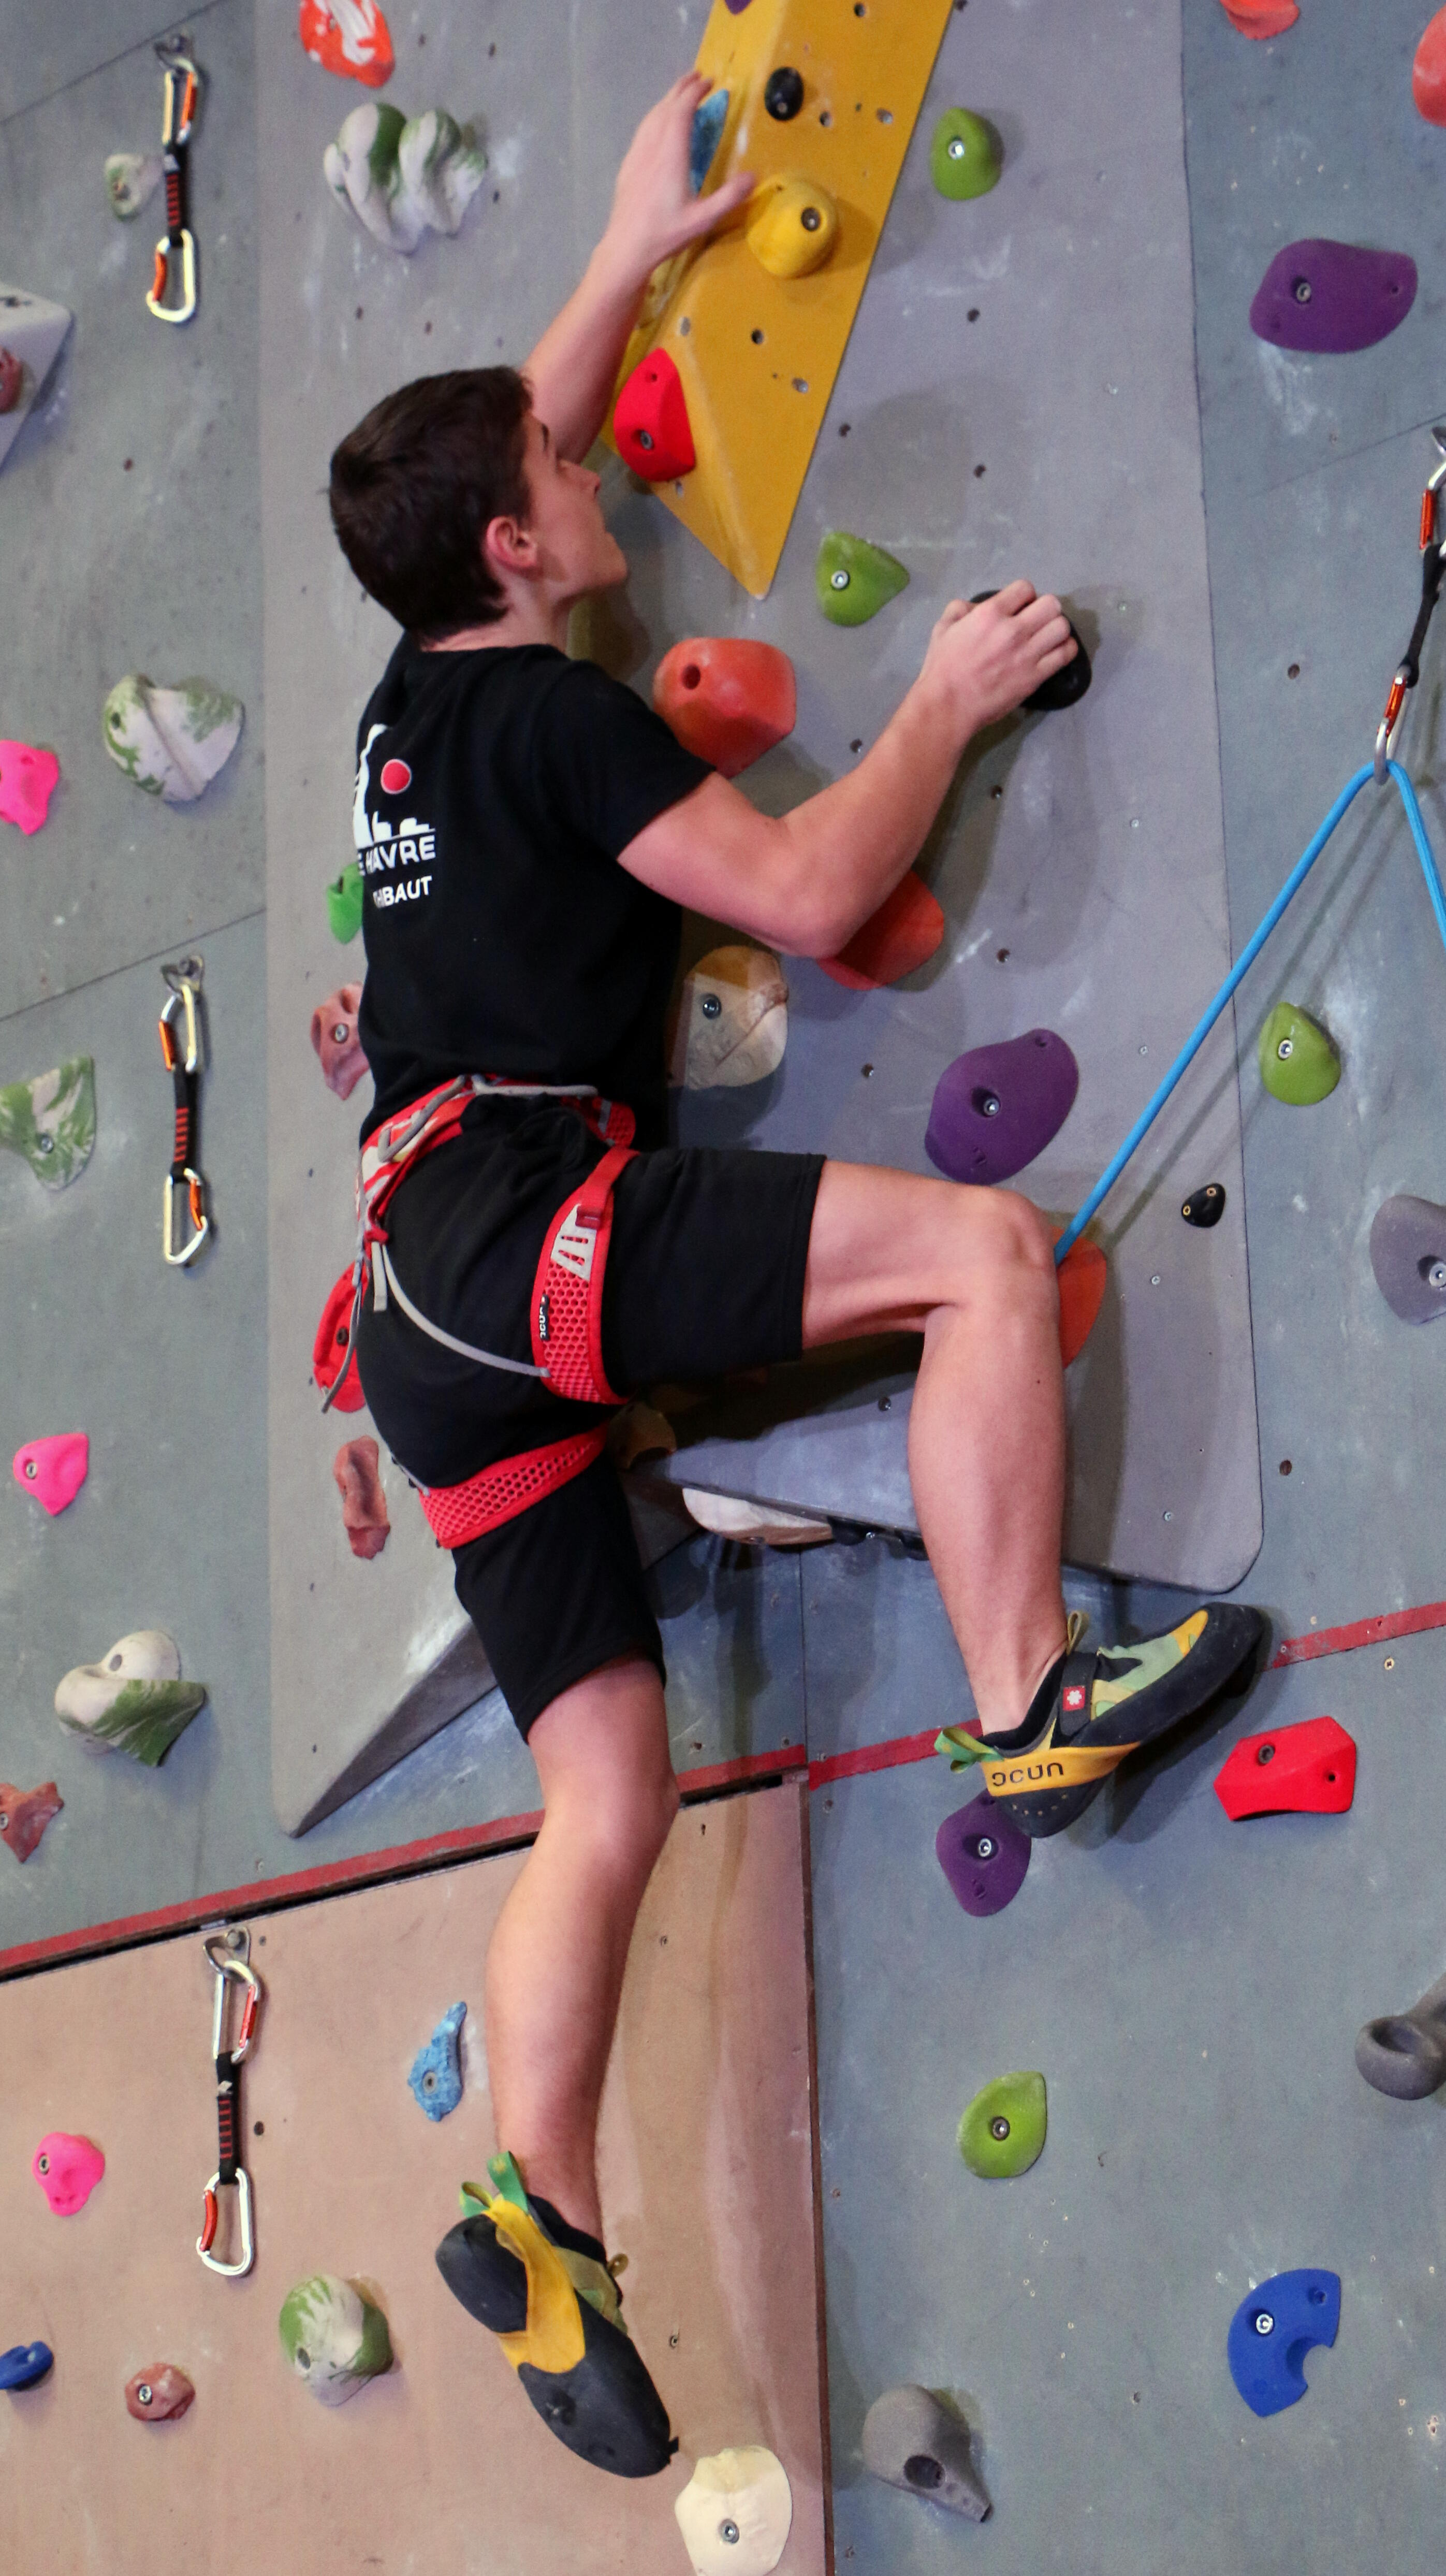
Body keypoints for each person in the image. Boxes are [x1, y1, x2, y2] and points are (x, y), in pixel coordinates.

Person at [325, 71, 1263, 2478]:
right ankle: (1029, 1689)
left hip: (430, 1321)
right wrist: (946, 690)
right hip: (524, 1230)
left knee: (602, 1788)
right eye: (568, 478)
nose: (594, 474)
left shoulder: (413, 703)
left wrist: (632, 246)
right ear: (520, 548)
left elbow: (506, 444)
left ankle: (542, 2208)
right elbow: (819, 895)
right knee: (980, 1254)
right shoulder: (544, 720)